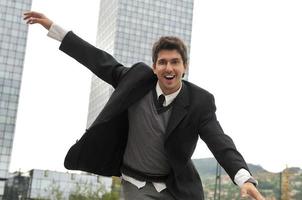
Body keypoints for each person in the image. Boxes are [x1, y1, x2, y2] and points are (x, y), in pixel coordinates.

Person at [24, 11, 265, 200]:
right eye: (162, 62)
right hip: (136, 183)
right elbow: (98, 60)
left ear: (184, 67)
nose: (168, 68)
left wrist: (243, 178)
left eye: (175, 62)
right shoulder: (136, 79)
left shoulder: (199, 102)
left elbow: (220, 142)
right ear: (154, 67)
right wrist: (53, 28)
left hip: (176, 187)